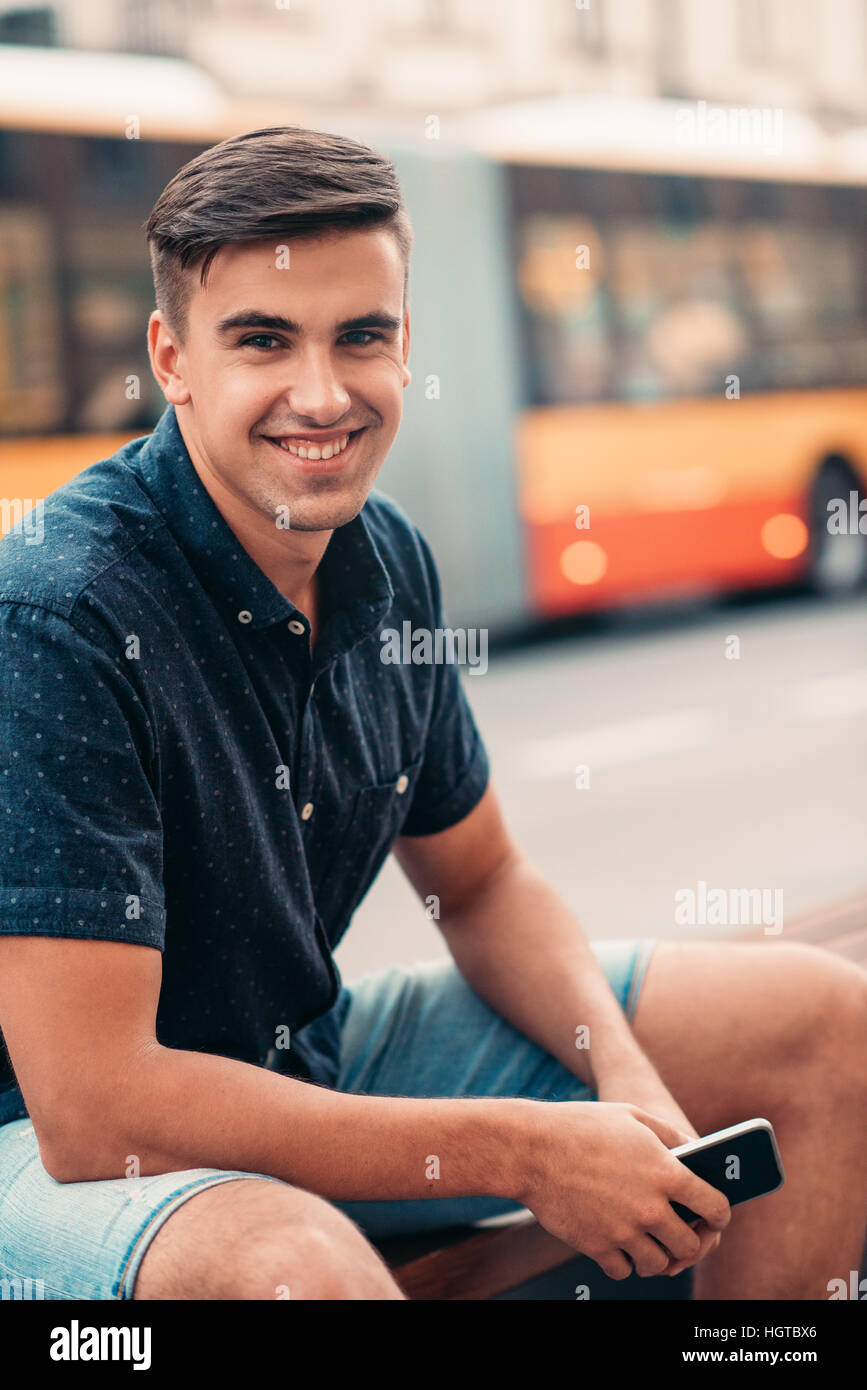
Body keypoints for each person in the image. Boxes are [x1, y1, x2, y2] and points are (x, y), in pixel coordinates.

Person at [0, 126, 864, 1302]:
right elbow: (93, 1110)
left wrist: (619, 1072)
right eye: (263, 340)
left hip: (306, 1056)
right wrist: (521, 1147)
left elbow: (486, 881)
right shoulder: (61, 611)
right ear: (173, 356)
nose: (322, 393)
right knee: (295, 1272)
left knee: (827, 1024)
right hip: (44, 1152)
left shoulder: (389, 562)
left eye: (363, 336)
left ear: (407, 344)